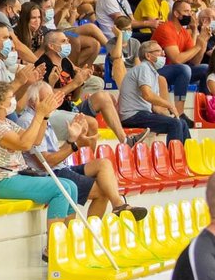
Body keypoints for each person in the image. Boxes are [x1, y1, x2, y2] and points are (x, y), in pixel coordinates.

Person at [16, 82, 144, 220]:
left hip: (60, 167)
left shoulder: (43, 118)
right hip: (50, 173)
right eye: (47, 99)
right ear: (34, 101)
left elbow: (53, 155)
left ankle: (118, 204)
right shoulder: (28, 121)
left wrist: (72, 139)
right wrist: (75, 145)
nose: (52, 103)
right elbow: (45, 162)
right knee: (102, 192)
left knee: (103, 164)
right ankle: (93, 231)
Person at [0, 81, 82, 216]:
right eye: (11, 97)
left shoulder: (7, 123)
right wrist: (39, 115)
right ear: (0, 103)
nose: (14, 100)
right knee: (61, 189)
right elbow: (24, 144)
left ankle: (67, 232)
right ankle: (55, 235)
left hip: (13, 177)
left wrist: (44, 116)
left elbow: (35, 141)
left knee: (71, 186)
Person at [117, 41, 190, 143]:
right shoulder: (143, 68)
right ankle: (175, 157)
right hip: (132, 116)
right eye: (159, 51)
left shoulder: (153, 72)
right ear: (148, 55)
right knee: (174, 124)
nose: (163, 54)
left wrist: (169, 116)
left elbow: (153, 106)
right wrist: (170, 105)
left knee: (181, 122)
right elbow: (147, 95)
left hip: (143, 114)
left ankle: (185, 155)